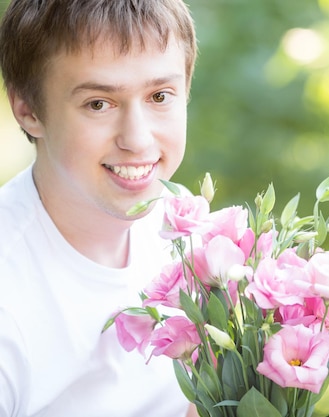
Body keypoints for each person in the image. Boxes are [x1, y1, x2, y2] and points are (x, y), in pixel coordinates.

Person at [0, 1, 200, 416]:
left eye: (160, 96)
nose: (138, 139)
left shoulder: (197, 236)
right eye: (98, 104)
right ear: (28, 111)